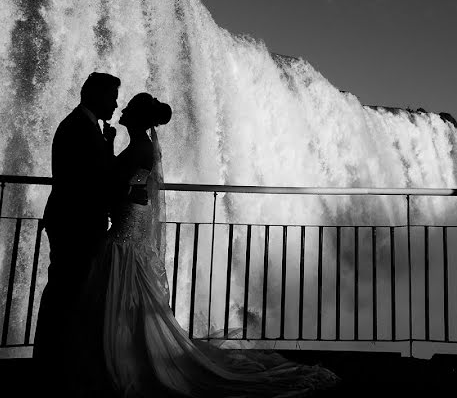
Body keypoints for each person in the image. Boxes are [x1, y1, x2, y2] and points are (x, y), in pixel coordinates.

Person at [77, 92, 340, 397]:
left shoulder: (140, 148)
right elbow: (124, 182)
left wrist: (105, 152)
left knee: (124, 283)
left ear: (137, 118)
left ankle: (121, 357)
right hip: (130, 219)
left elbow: (115, 181)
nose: (122, 111)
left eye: (130, 109)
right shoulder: (140, 146)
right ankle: (125, 352)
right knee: (131, 288)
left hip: (127, 223)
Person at [34, 72, 121, 391]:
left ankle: (58, 363)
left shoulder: (86, 127)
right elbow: (93, 179)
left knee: (69, 292)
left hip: (78, 223)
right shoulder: (79, 127)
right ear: (96, 95)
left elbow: (100, 175)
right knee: (65, 292)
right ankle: (51, 366)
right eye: (112, 96)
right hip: (75, 224)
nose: (115, 104)